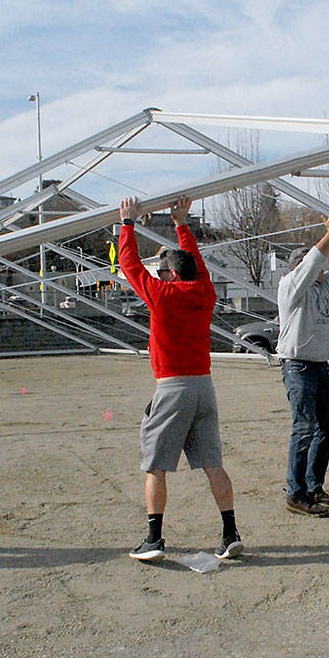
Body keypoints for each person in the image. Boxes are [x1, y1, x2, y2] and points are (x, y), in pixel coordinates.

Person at [118, 195, 242, 563]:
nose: (156, 276)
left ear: (171, 275)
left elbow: (129, 265)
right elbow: (196, 265)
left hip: (172, 387)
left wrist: (127, 223)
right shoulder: (204, 291)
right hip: (204, 385)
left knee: (155, 464)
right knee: (212, 463)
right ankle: (230, 532)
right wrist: (181, 225)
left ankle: (154, 539)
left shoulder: (163, 294)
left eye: (162, 271)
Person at [276, 206, 329, 518]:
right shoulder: (290, 287)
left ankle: (314, 487)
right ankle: (295, 493)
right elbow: (314, 259)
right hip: (297, 365)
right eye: (316, 266)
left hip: (319, 364)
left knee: (327, 427)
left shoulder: (325, 285)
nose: (323, 269)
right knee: (304, 427)